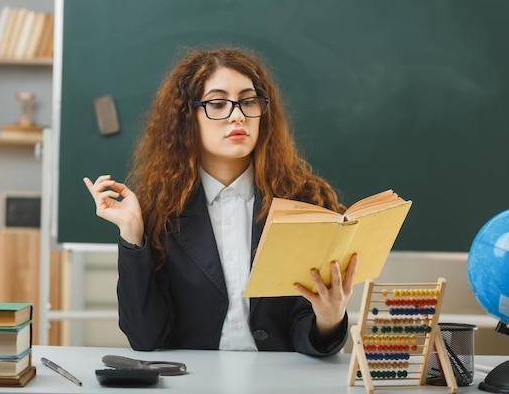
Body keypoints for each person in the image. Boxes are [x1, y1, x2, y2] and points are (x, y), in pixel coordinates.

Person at [84, 46, 358, 356]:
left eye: (248, 101)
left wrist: (329, 319)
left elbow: (306, 332)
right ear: (188, 117)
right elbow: (146, 338)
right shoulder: (159, 210)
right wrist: (133, 234)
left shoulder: (306, 203)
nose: (238, 115)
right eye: (217, 103)